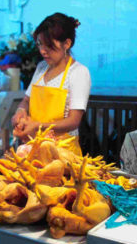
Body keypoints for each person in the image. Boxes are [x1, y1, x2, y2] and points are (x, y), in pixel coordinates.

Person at [12, 12, 91, 155]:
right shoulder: (41, 67)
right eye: (40, 44)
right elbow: (26, 100)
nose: (42, 51)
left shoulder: (79, 72)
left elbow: (73, 121)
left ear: (67, 43)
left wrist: (37, 127)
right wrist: (20, 112)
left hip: (62, 152)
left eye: (49, 45)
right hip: (33, 149)